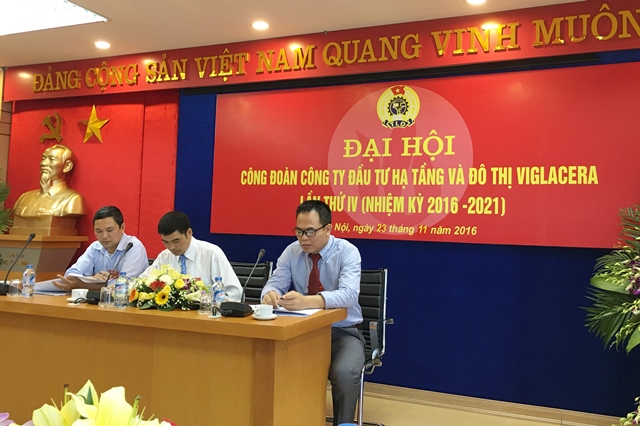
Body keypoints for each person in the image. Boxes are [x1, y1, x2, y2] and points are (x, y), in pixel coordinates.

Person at [261, 200, 364, 426]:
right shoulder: (291, 251)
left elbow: (349, 295)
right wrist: (270, 295)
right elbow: (274, 284)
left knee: (345, 372)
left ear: (327, 229)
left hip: (342, 332)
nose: (303, 238)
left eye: (310, 231)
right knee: (272, 365)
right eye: (299, 231)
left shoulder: (347, 252)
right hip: (301, 332)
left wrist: (307, 301)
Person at [141, 211, 242, 301]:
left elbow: (234, 293)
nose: (171, 247)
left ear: (189, 233)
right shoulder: (164, 257)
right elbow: (141, 283)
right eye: (166, 242)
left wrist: (208, 301)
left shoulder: (212, 254)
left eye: (176, 241)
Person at [54, 206, 149, 291]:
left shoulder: (133, 246)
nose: (104, 236)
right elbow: (70, 274)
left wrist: (84, 285)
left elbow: (126, 284)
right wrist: (92, 279)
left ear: (122, 228)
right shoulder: (95, 247)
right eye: (99, 231)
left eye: (109, 230)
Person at [13, 144, 86, 217]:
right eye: (43, 158)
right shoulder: (24, 197)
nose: (43, 163)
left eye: (52, 159)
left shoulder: (72, 199)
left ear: (67, 166)